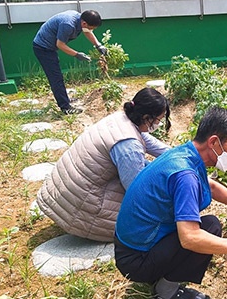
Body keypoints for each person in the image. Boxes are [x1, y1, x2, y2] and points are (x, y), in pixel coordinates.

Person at [114, 106, 227, 299]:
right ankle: (164, 295)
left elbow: (209, 185)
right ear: (213, 142)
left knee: (208, 224)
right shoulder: (185, 176)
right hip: (136, 262)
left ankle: (162, 276)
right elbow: (189, 238)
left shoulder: (186, 154)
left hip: (129, 248)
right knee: (210, 229)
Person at [36, 88, 171, 242]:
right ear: (147, 117)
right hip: (80, 205)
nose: (158, 124)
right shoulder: (129, 145)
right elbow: (136, 189)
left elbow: (147, 141)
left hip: (65, 192)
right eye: (158, 120)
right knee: (157, 214)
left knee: (149, 169)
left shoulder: (121, 119)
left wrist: (177, 156)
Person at [32, 10, 108, 114]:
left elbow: (87, 32)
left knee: (57, 75)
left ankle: (64, 99)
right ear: (84, 23)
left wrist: (98, 45)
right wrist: (77, 54)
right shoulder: (68, 24)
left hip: (50, 47)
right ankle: (65, 107)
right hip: (43, 47)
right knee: (56, 77)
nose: (91, 30)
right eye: (91, 27)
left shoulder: (80, 19)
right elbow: (60, 44)